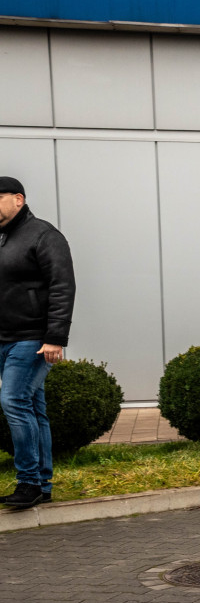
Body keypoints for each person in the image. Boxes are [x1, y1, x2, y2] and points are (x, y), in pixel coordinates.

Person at [0, 176, 75, 509]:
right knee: (32, 408)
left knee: (14, 401)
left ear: (18, 199)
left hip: (33, 339)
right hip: (4, 338)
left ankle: (28, 482)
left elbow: (62, 286)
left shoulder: (44, 235)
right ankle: (42, 484)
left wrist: (55, 337)